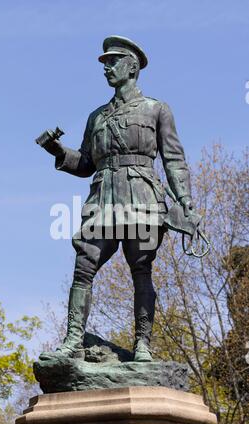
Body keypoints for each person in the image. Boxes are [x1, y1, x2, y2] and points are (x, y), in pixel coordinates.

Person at [37, 36, 193, 362]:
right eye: (104, 63)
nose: (106, 67)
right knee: (84, 264)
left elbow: (174, 159)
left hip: (142, 196)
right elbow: (86, 162)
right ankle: (73, 341)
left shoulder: (156, 109)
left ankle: (143, 346)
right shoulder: (96, 117)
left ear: (132, 66)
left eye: (113, 61)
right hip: (103, 198)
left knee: (141, 268)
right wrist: (57, 151)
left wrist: (186, 202)